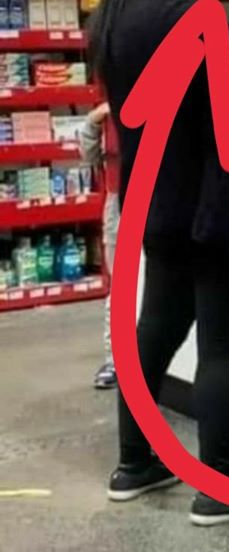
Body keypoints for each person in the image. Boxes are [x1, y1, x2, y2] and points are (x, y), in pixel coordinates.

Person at [87, 0, 229, 525]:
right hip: (211, 205)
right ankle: (219, 485)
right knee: (222, 346)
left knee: (155, 333)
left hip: (155, 203)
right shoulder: (185, 14)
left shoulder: (120, 9)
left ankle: (135, 462)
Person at [79, 102, 120, 390]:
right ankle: (116, 361)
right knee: (120, 288)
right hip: (118, 203)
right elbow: (88, 155)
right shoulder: (107, 113)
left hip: (159, 199)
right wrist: (94, 120)